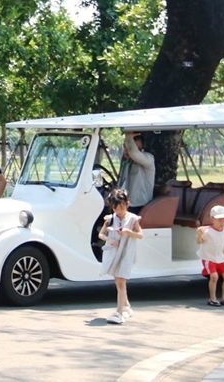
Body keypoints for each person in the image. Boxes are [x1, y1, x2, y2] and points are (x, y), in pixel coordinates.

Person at [98, 188, 143, 324]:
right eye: (116, 208)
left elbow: (140, 235)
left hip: (127, 252)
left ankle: (119, 312)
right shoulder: (111, 219)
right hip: (114, 253)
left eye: (122, 207)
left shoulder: (133, 219)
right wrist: (110, 240)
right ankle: (127, 306)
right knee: (118, 281)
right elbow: (101, 234)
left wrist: (128, 232)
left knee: (121, 280)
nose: (119, 211)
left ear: (127, 205)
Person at [197, 205, 224, 307]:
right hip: (209, 258)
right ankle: (212, 298)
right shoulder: (207, 231)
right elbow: (200, 242)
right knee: (214, 276)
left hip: (220, 258)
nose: (222, 223)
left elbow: (223, 244)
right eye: (220, 220)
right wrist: (199, 235)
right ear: (212, 219)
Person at [119, 132, 155, 214]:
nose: (126, 150)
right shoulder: (127, 162)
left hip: (139, 205)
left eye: (130, 147)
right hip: (126, 203)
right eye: (125, 147)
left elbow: (134, 153)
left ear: (140, 148)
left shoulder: (148, 159)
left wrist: (128, 137)